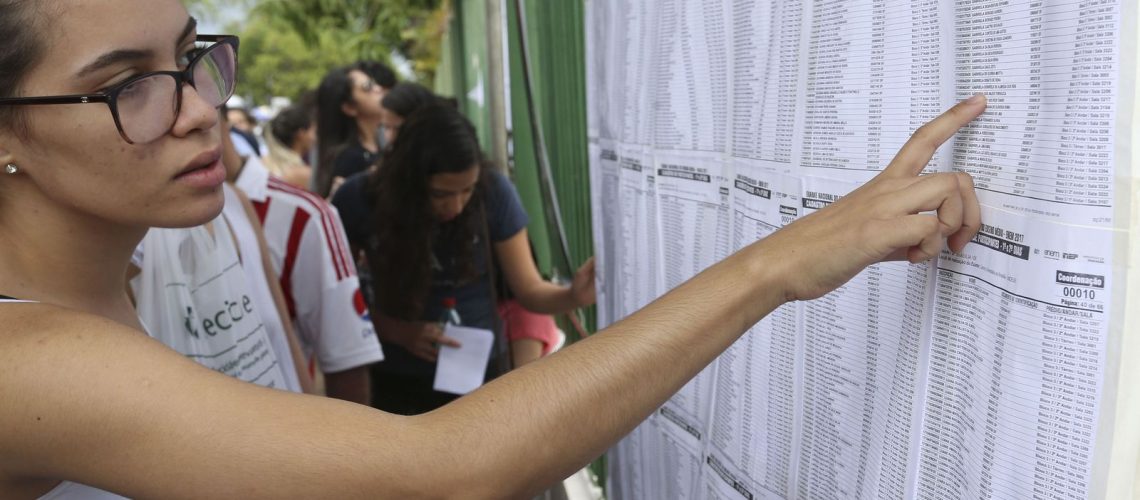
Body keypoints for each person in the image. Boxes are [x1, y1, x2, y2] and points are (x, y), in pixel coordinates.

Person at [0, 0, 984, 497]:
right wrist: (780, 260)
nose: (199, 110)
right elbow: (447, 466)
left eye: (189, 57)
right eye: (124, 83)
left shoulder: (112, 279)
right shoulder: (35, 357)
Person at [314, 64, 388, 198]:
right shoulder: (349, 160)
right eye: (367, 87)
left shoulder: (382, 146)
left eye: (374, 83)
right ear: (349, 108)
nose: (378, 89)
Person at [261, 102, 316, 190]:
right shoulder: (302, 174)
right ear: (301, 134)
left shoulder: (262, 163)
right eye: (313, 131)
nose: (315, 138)